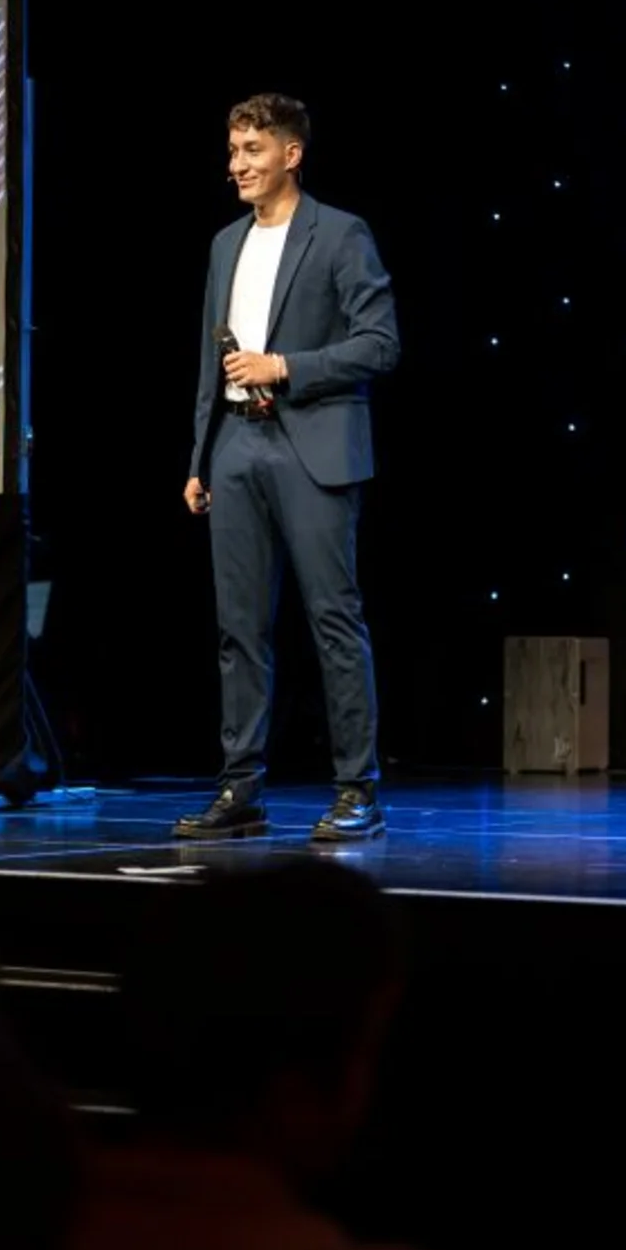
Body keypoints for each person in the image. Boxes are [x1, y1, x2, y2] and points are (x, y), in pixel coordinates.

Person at [178, 94, 401, 842]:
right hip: (236, 448)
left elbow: (380, 343)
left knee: (333, 620)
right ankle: (240, 788)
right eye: (232, 150)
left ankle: (357, 789)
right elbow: (210, 360)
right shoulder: (225, 244)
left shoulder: (340, 234)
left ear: (291, 154)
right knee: (238, 629)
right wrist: (201, 456)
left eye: (252, 150)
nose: (237, 164)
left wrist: (285, 366)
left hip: (313, 446)